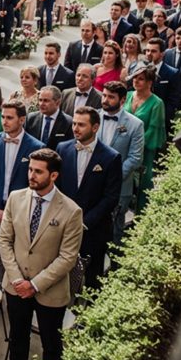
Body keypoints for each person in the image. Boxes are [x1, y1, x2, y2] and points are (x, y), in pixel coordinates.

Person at [0, 149, 83, 360]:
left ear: (53, 175)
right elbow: (4, 240)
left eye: (38, 171)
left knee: (52, 346)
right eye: (30, 169)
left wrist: (34, 285)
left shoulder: (72, 211)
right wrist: (17, 279)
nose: (31, 175)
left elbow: (67, 257)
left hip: (50, 292)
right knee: (18, 339)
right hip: (16, 287)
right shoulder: (15, 198)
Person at [55, 107, 121, 288]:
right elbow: (57, 186)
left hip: (94, 230)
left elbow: (111, 197)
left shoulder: (111, 157)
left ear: (95, 127)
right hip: (63, 226)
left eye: (81, 125)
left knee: (92, 279)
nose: (75, 128)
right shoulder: (62, 148)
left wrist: (84, 222)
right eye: (74, 123)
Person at [98, 81, 145, 243]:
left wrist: (112, 178)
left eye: (111, 97)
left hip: (119, 188)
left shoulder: (135, 125)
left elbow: (135, 158)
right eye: (104, 95)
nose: (105, 100)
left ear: (123, 100)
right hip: (93, 183)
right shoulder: (93, 117)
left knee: (114, 230)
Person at [0, 100, 42, 216]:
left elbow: (35, 183)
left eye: (9, 118)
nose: (4, 122)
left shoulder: (37, 147)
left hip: (22, 211)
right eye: (3, 117)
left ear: (22, 120)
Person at [125, 63, 166, 212]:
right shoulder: (128, 95)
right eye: (135, 78)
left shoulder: (157, 103)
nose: (136, 81)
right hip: (124, 148)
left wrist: (134, 145)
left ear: (150, 83)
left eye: (140, 79)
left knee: (143, 186)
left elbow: (153, 130)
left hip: (144, 151)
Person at [144, 38, 181, 133]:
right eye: (147, 50)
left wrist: (162, 118)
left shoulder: (172, 73)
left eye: (153, 51)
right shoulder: (139, 69)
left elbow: (173, 100)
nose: (149, 53)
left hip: (160, 120)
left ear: (162, 53)